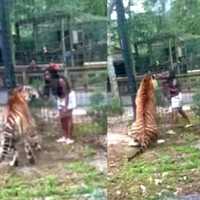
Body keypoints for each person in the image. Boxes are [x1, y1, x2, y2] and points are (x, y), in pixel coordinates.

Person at [56, 76, 76, 144]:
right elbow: (58, 102)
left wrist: (66, 108)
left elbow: (73, 103)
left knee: (68, 122)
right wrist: (60, 108)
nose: (61, 83)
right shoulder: (59, 93)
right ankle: (64, 136)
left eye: (62, 82)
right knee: (62, 122)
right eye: (59, 82)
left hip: (68, 109)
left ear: (66, 82)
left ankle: (69, 138)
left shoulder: (71, 92)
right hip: (61, 109)